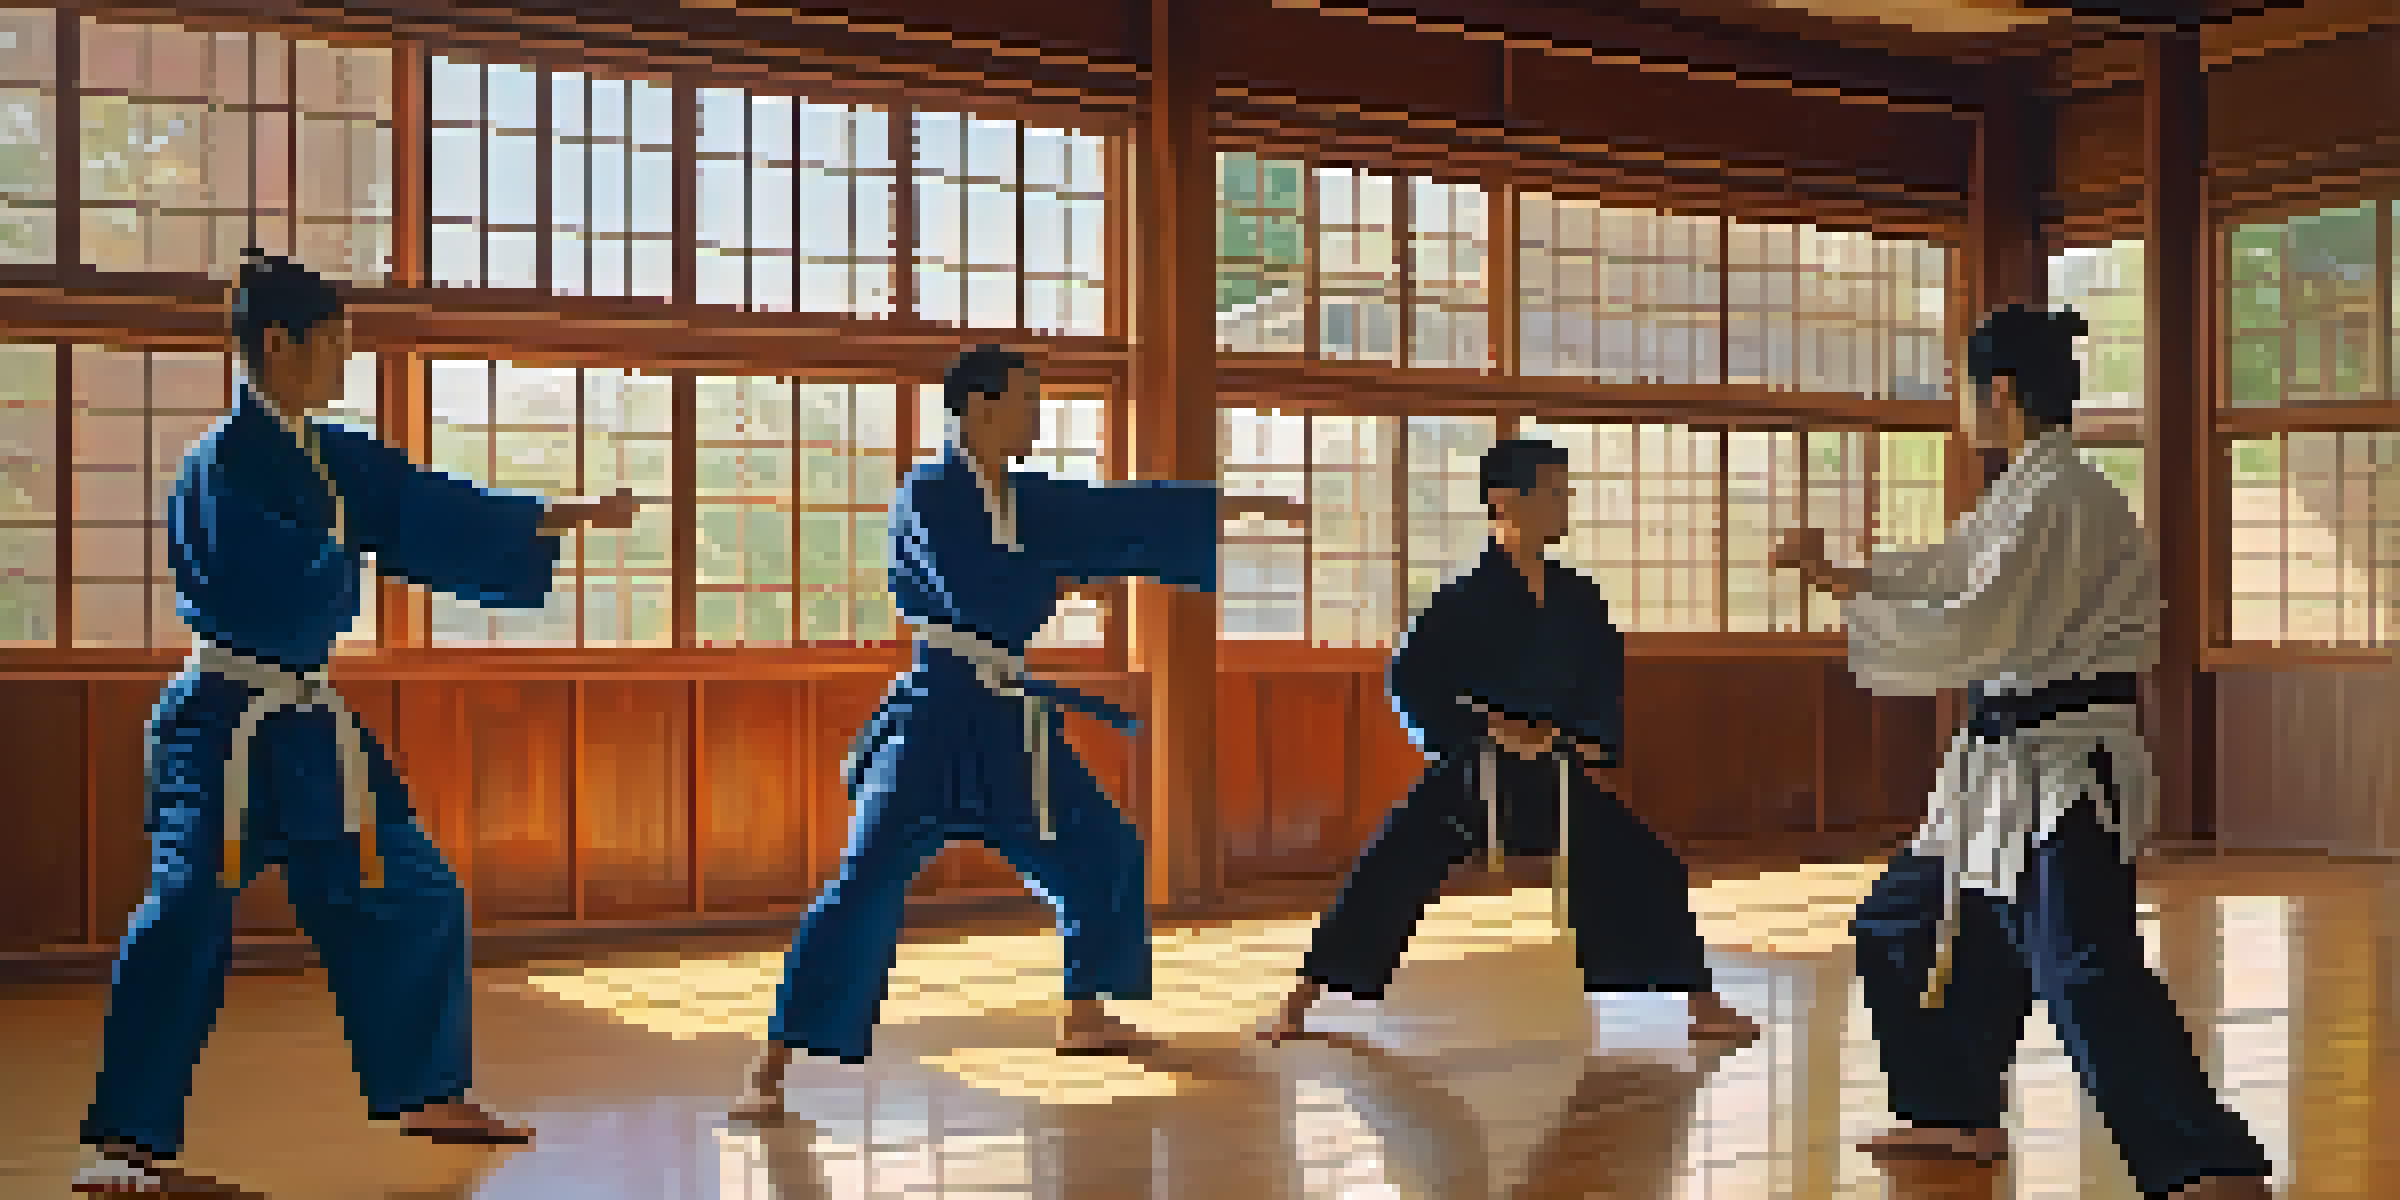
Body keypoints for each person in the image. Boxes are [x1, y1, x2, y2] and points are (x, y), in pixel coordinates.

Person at [74, 249, 642, 1195]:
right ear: (280, 343)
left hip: (303, 729)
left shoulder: (324, 454)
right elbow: (283, 586)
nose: (346, 356)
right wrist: (350, 543)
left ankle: (426, 1090)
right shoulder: (222, 464)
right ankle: (122, 1140)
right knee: (181, 912)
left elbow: (426, 506)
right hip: (224, 726)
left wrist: (565, 516)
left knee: (418, 891)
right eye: (335, 340)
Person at [1773, 304, 2273, 1200]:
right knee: (1902, 922)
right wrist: (1845, 577)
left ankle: (2206, 1159)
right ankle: (1952, 1109)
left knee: (2084, 968)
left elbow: (1982, 620)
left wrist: (1853, 606)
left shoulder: (2064, 496)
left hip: (2064, 770)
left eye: (1967, 389)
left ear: (1997, 391)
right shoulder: (2021, 491)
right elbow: (1952, 568)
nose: (1963, 406)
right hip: (1997, 773)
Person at [732, 345, 1306, 1121]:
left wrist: (1231, 509)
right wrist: (1070, 582)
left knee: (1102, 847)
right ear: (978, 406)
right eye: (1026, 398)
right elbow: (978, 588)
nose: (1037, 412)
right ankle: (773, 1060)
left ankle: (1087, 1011)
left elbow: (1116, 512)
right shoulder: (932, 490)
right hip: (934, 717)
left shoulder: (1020, 497)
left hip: (1006, 722)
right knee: (865, 879)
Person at [1259, 438, 1758, 1047]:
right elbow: (1411, 677)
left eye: (1564, 491)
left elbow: (1603, 677)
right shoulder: (1466, 597)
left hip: (1553, 771)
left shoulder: (1577, 595)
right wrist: (1491, 730)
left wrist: (1579, 736)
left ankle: (1699, 1003)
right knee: (1390, 864)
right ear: (1505, 500)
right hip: (1475, 771)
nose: (1564, 503)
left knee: (1647, 857)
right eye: (1553, 491)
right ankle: (1304, 998)